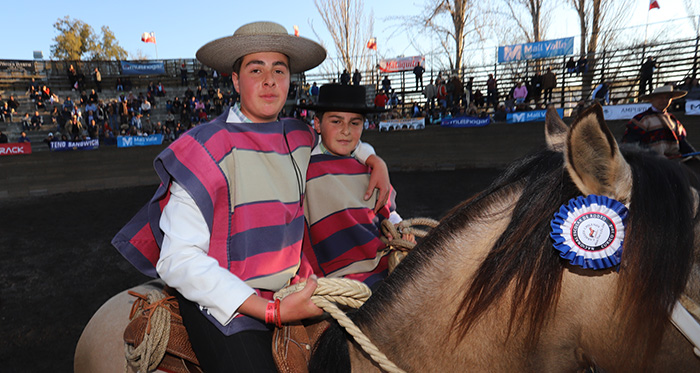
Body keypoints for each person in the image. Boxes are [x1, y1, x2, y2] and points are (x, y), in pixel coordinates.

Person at [112, 21, 390, 372]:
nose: (270, 80)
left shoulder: (300, 136)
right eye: (256, 69)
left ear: (290, 79)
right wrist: (270, 311)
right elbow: (177, 259)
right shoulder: (204, 148)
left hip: (294, 288)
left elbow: (342, 139)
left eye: (279, 69)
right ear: (235, 79)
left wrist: (372, 158)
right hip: (225, 305)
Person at [298, 84, 411, 287]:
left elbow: (386, 211)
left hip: (378, 259)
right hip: (333, 274)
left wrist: (399, 228)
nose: (346, 131)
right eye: (336, 121)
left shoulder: (369, 166)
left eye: (355, 123)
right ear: (317, 124)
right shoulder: (305, 165)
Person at [621, 85, 692, 159]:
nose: (665, 101)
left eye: (668, 98)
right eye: (661, 98)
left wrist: (694, 155)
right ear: (652, 99)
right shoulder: (641, 120)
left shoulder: (673, 120)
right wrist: (653, 155)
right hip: (650, 163)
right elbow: (630, 143)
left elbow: (682, 143)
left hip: (674, 162)